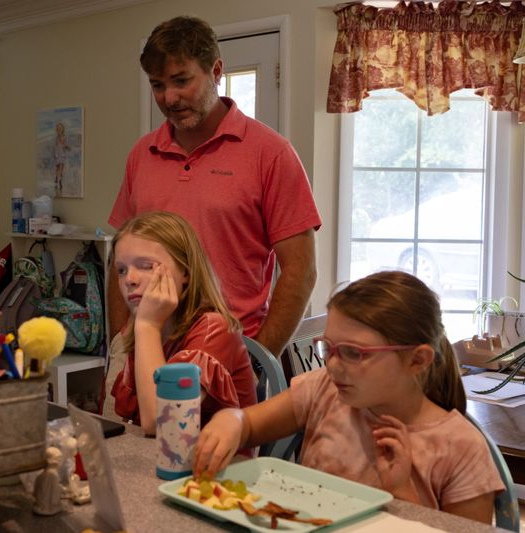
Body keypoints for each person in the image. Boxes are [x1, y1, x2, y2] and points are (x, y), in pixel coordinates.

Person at [193, 271, 504, 524]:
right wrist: (231, 420)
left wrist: (402, 493)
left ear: (417, 360)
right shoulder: (324, 390)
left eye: (354, 353)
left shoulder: (462, 448)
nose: (332, 365)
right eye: (328, 348)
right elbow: (248, 423)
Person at [108, 16, 321, 356]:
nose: (170, 98)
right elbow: (120, 260)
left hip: (229, 355)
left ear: (216, 71)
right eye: (158, 85)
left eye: (181, 81)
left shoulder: (272, 154)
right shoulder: (142, 154)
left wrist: (258, 360)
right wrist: (120, 348)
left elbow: (301, 271)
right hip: (148, 352)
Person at [110, 211, 257, 436]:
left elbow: (160, 421)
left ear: (185, 271)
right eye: (122, 270)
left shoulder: (214, 329)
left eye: (146, 266)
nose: (129, 279)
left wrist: (147, 326)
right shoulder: (145, 328)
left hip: (214, 458)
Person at [53, 122, 70, 193]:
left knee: (58, 169)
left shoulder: (58, 137)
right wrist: (68, 147)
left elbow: (57, 146)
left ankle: (58, 181)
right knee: (60, 170)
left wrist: (55, 154)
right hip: (61, 155)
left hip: (58, 155)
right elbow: (63, 145)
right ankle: (59, 182)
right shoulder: (61, 137)